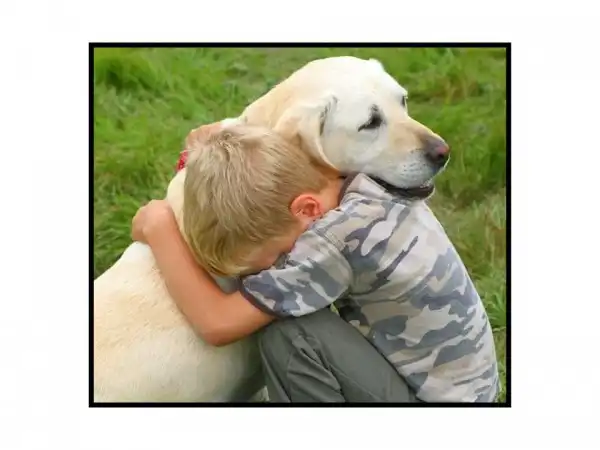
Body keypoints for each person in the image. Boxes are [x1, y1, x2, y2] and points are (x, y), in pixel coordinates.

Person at [131, 123, 500, 403]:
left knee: (291, 335)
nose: (274, 269)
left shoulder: (334, 240)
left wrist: (160, 227)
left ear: (306, 209)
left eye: (276, 257)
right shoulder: (358, 178)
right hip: (466, 391)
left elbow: (217, 324)